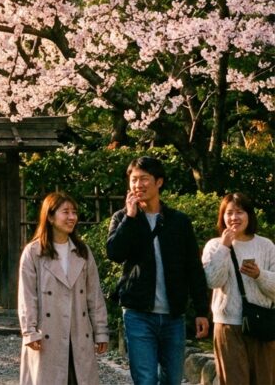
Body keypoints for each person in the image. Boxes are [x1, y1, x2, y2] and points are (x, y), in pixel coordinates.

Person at [106, 156, 210, 385]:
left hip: (173, 315)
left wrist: (202, 310)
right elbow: (114, 253)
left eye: (144, 179)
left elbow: (193, 267)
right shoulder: (122, 218)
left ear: (159, 182)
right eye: (134, 180)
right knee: (145, 379)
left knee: (172, 379)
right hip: (137, 313)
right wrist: (130, 218)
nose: (138, 185)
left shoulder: (178, 221)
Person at [18, 192, 109, 384]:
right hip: (47, 334)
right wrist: (30, 331)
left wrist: (100, 331)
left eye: (74, 212)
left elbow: (94, 295)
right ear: (50, 217)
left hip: (78, 332)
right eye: (65, 212)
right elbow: (27, 296)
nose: (72, 217)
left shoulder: (82, 252)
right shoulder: (34, 253)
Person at [201, 193, 275, 384]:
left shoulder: (266, 246)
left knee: (265, 380)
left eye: (240, 212)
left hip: (262, 324)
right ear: (222, 217)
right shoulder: (214, 246)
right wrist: (224, 247)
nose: (234, 217)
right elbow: (213, 281)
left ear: (249, 215)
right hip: (228, 325)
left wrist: (259, 275)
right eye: (229, 213)